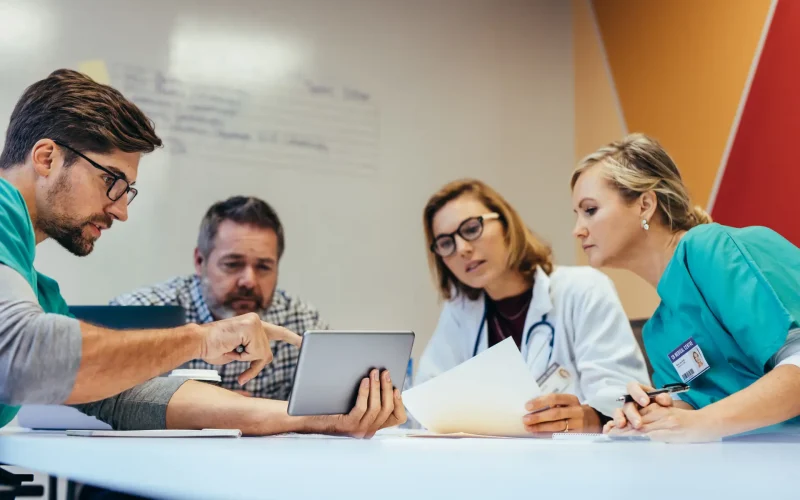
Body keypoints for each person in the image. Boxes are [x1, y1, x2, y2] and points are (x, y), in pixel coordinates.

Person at [0, 69, 404, 438]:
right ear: (47, 157)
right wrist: (199, 339)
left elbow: (126, 393)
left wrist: (321, 418)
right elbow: (25, 353)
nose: (120, 210)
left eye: (127, 191)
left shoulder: (39, 291)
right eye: (111, 181)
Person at [571, 133, 800, 442]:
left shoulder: (710, 249)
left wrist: (701, 422)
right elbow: (696, 411)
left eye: (590, 210)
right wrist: (648, 416)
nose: (578, 230)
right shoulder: (659, 330)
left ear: (645, 204)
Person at [416, 179, 650, 434]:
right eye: (446, 243)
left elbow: (623, 395)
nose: (462, 249)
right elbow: (424, 408)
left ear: (507, 225)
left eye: (472, 229)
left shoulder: (583, 289)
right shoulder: (460, 313)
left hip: (576, 463)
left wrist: (587, 417)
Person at [111, 195, 326, 400]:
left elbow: (330, 411)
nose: (248, 281)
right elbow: (103, 404)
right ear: (199, 261)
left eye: (263, 267)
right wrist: (208, 408)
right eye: (232, 264)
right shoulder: (138, 313)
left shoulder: (302, 324)